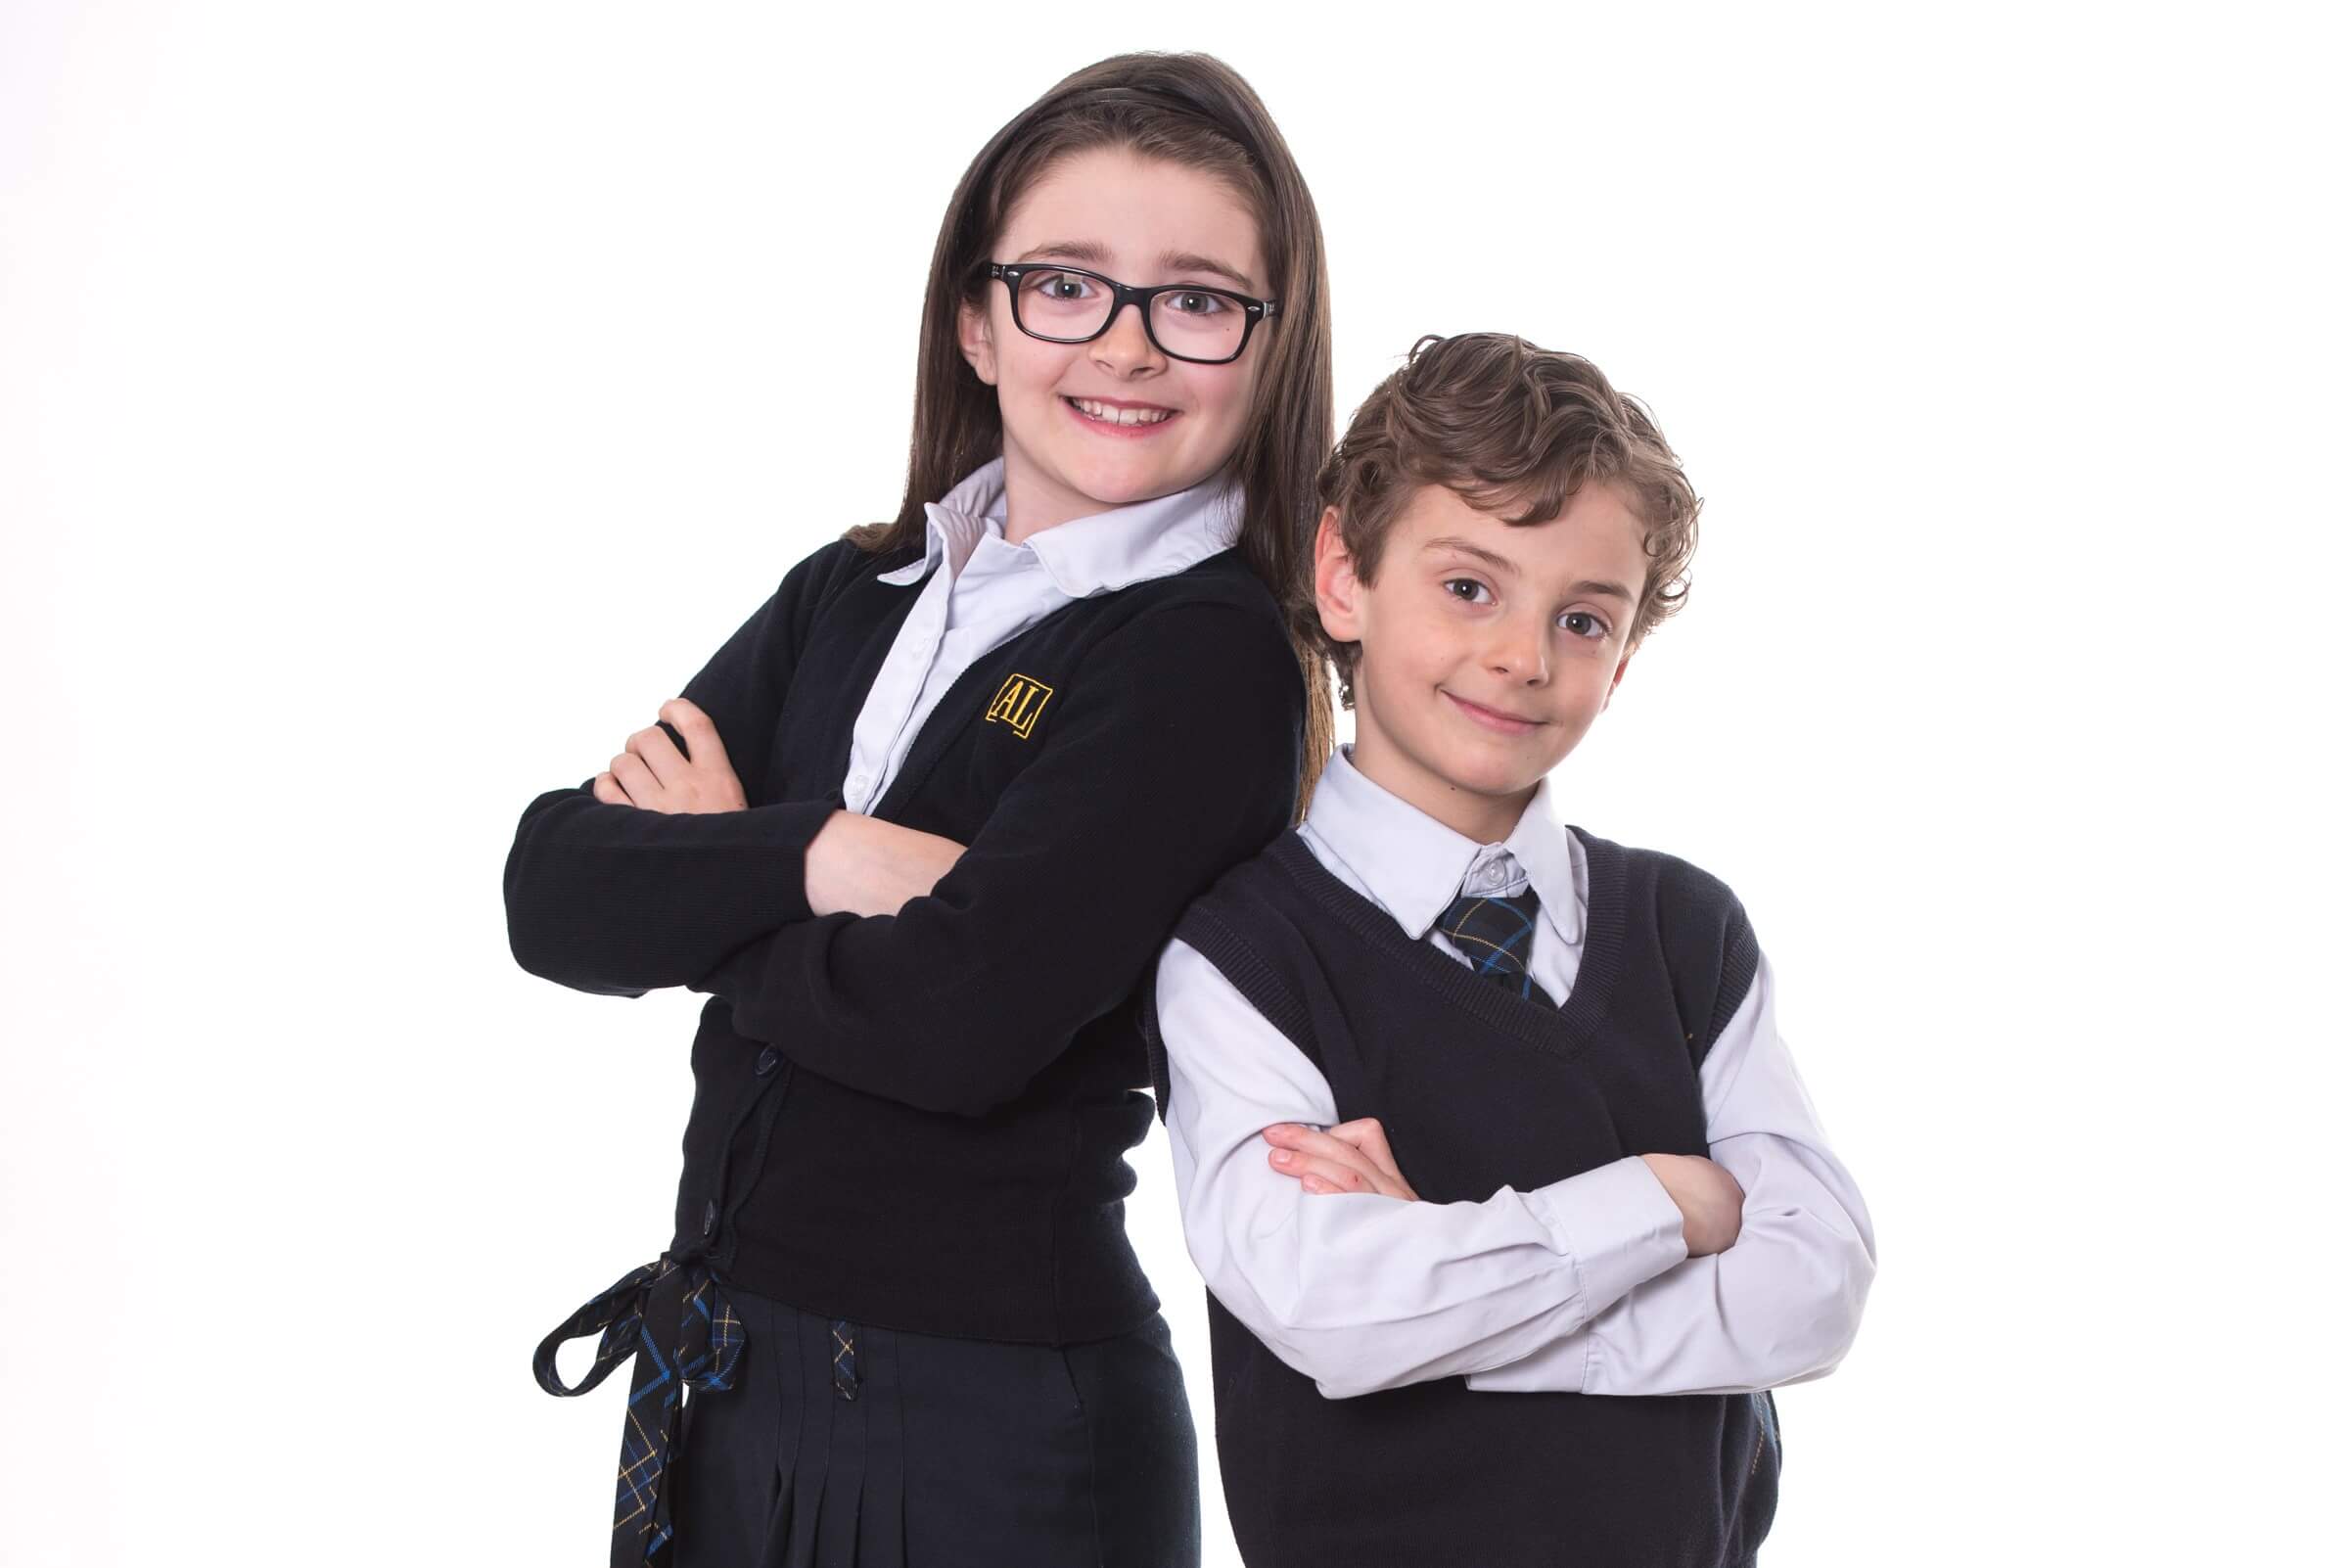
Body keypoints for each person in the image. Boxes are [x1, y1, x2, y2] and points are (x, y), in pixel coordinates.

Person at [503, 52, 1335, 1568]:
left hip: (983, 1436)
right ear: (976, 321)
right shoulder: (848, 589)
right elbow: (553, 891)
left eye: (1197, 299)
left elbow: (960, 1021)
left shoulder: (1209, 656)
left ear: (1268, 348)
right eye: (1065, 284)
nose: (1127, 344)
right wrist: (830, 855)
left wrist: (714, 873)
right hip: (726, 1375)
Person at [1146, 333, 1876, 1568]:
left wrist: (1458, 1302)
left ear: (1624, 658)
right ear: (1344, 576)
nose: (1523, 658)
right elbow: (1332, 1305)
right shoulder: (1240, 957)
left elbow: (1816, 1284)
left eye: (1582, 619)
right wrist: (1667, 1203)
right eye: (1470, 589)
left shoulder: (1686, 933)